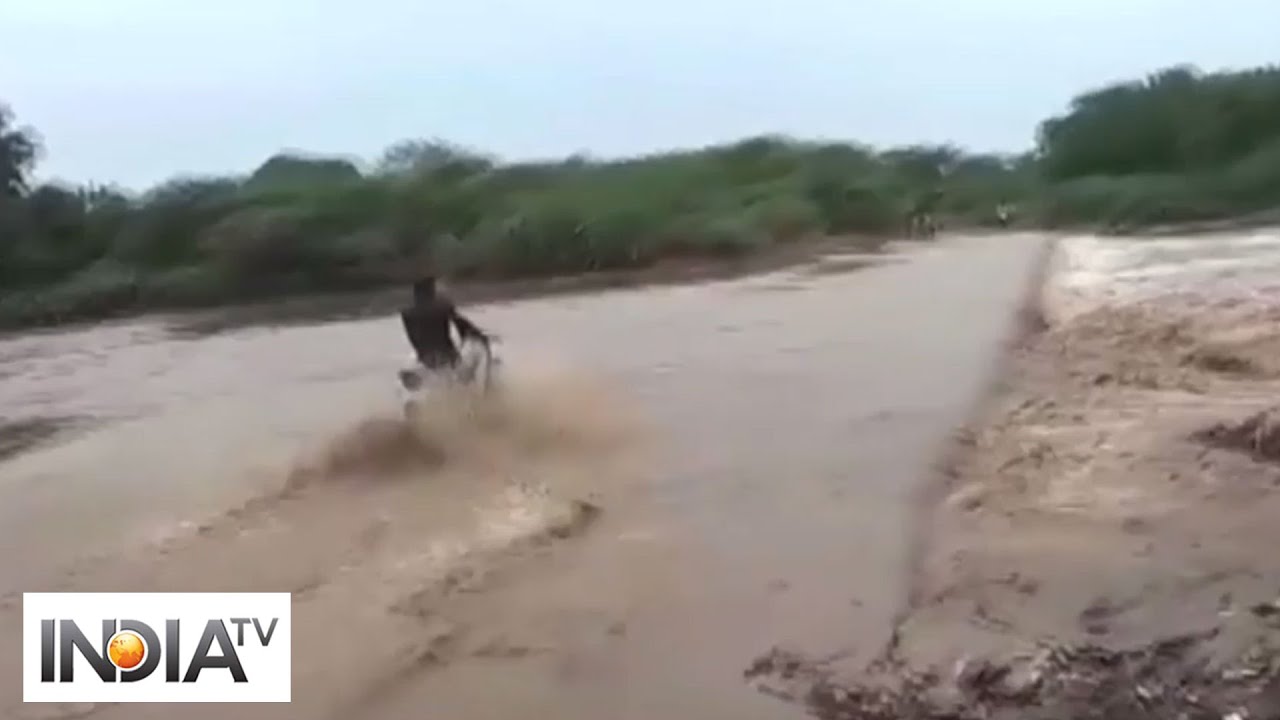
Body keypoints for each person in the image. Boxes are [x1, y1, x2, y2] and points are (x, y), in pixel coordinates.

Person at [399, 275, 489, 377]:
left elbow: (413, 338)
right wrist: (479, 335)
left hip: (425, 358)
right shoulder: (441, 307)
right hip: (448, 357)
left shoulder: (407, 314)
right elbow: (464, 328)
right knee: (476, 355)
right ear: (431, 292)